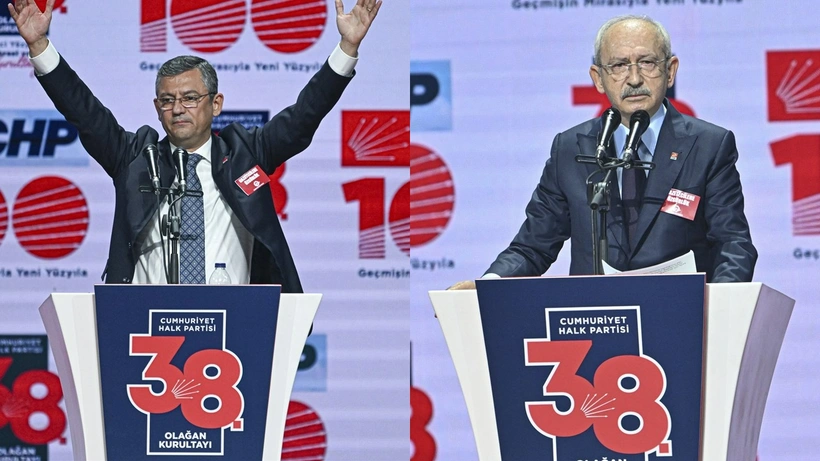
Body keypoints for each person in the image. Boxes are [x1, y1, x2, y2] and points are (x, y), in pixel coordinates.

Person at [8, 0, 381, 292]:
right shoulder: (135, 157)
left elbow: (305, 115)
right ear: (157, 107)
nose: (177, 109)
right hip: (145, 322)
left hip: (236, 320)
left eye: (189, 98)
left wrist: (347, 47)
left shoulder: (247, 152)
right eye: (167, 100)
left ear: (215, 104)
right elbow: (84, 112)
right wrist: (39, 46)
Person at [450, 14, 756, 289]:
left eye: (647, 62)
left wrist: (720, 311)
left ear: (670, 70)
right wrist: (487, 287)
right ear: (598, 78)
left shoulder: (708, 145)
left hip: (680, 318)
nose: (634, 79)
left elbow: (733, 244)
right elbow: (532, 247)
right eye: (619, 65)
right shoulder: (571, 148)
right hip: (597, 320)